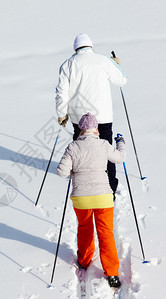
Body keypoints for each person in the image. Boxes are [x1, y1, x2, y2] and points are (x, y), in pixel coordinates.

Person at [56, 112, 126, 288]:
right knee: (106, 233)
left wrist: (72, 170)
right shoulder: (103, 144)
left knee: (85, 229)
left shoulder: (72, 147)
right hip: (103, 197)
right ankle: (112, 273)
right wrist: (121, 143)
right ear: (96, 129)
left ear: (81, 129)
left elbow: (61, 172)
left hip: (82, 199)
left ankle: (85, 261)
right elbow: (119, 158)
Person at [55, 33, 127, 194]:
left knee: (80, 151)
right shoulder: (103, 61)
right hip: (103, 116)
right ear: (91, 46)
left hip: (78, 118)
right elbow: (121, 80)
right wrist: (116, 65)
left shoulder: (68, 65)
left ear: (75, 48)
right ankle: (110, 187)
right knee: (107, 151)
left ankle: (82, 185)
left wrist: (61, 113)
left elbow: (62, 92)